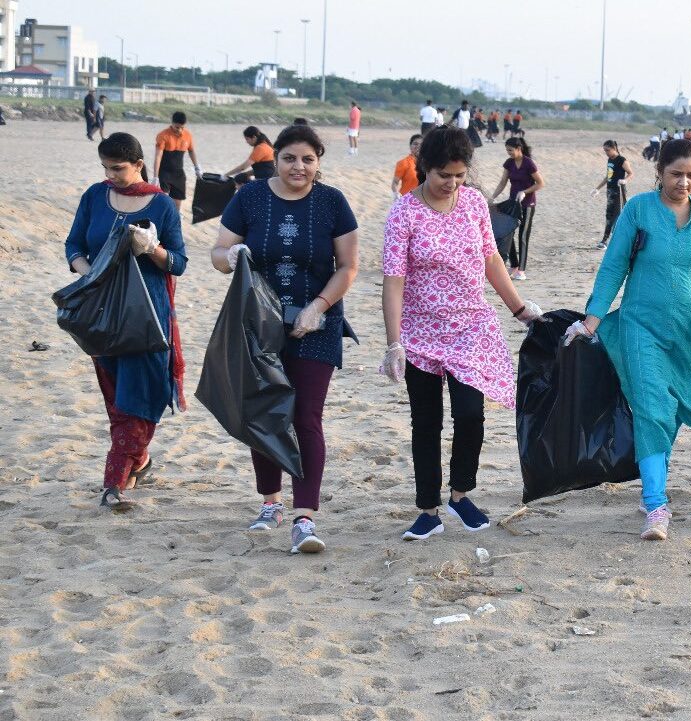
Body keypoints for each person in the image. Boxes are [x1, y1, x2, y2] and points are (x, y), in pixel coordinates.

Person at [563, 138, 691, 541]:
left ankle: (653, 477)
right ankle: (656, 504)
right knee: (652, 408)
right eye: (676, 174)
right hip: (640, 327)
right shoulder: (639, 210)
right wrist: (590, 321)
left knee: (672, 409)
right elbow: (613, 268)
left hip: (689, 336)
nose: (684, 182)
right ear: (659, 173)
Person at [379, 125, 543, 541]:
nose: (451, 184)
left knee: (470, 414)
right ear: (423, 169)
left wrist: (520, 309)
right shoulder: (403, 213)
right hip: (420, 331)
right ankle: (428, 508)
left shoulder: (472, 204)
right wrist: (394, 341)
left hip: (471, 327)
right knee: (426, 421)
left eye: (459, 175)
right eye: (442, 175)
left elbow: (491, 260)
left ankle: (461, 493)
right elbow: (393, 281)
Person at [212, 124, 359, 554]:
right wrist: (232, 256)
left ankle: (304, 518)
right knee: (264, 410)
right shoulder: (250, 197)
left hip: (317, 321)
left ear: (319, 162)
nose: (299, 166)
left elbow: (348, 266)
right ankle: (270, 503)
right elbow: (220, 253)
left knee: (306, 418)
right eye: (290, 158)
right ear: (274, 158)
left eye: (308, 159)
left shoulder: (332, 202)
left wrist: (318, 307)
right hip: (259, 323)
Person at [65, 132, 188, 509]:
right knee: (118, 397)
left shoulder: (163, 206)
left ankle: (114, 482)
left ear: (137, 164)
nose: (110, 175)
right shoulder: (94, 196)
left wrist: (151, 249)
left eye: (117, 168)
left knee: (140, 395)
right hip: (102, 316)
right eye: (104, 167)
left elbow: (178, 263)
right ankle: (141, 460)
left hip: (147, 317)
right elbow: (74, 246)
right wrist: (90, 273)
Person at [489, 137, 546, 281]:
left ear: (518, 148)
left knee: (523, 236)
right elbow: (502, 182)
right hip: (513, 203)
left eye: (510, 150)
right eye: (507, 150)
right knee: (508, 232)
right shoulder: (509, 163)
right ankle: (513, 265)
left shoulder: (528, 163)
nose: (508, 153)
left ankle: (521, 270)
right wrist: (493, 196)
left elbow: (540, 183)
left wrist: (525, 192)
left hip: (527, 204)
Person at [153, 112, 201, 211]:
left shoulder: (187, 135)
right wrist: (155, 177)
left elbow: (191, 151)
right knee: (164, 201)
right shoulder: (163, 135)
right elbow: (158, 156)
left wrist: (197, 167)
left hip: (178, 173)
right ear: (172, 123)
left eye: (182, 127)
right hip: (164, 172)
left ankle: (175, 221)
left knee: (177, 204)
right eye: (177, 127)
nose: (179, 130)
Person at [591, 139, 633, 250]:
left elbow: (631, 173)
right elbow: (608, 176)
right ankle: (613, 240)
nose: (606, 152)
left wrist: (625, 180)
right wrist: (597, 188)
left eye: (608, 150)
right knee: (611, 215)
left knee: (615, 216)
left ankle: (605, 241)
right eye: (604, 150)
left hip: (619, 192)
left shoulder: (622, 160)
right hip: (610, 192)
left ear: (614, 148)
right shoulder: (610, 160)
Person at [391, 133, 423, 198]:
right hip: (407, 200)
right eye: (415, 144)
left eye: (422, 144)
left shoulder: (429, 164)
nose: (418, 146)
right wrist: (396, 194)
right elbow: (395, 183)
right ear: (410, 146)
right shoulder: (403, 163)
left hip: (424, 201)